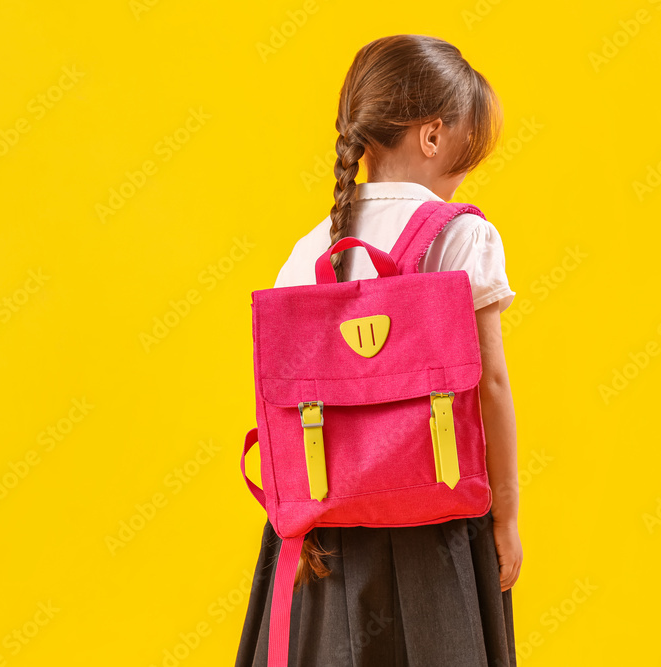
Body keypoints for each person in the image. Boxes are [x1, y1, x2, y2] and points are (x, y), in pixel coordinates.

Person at [235, 34, 522, 667]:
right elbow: (492, 385)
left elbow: (278, 402)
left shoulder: (312, 247)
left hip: (328, 529)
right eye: (468, 149)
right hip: (440, 520)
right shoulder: (463, 234)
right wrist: (506, 518)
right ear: (432, 136)